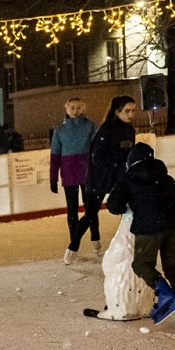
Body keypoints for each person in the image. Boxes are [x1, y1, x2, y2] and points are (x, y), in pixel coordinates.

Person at [106, 143, 175, 325]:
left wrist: (130, 206)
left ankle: (165, 294)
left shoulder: (129, 177)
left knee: (141, 264)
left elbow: (113, 205)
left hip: (150, 226)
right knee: (172, 265)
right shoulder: (166, 178)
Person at [78, 96, 138, 258]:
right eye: (127, 111)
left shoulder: (130, 131)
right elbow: (97, 158)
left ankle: (128, 244)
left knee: (127, 210)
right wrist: (119, 159)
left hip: (118, 178)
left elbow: (128, 155)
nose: (131, 114)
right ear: (117, 112)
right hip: (100, 178)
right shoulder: (106, 130)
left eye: (133, 110)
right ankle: (73, 245)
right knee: (90, 214)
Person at [49, 97, 98, 265]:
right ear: (67, 109)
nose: (75, 111)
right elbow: (55, 156)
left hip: (87, 172)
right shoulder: (60, 130)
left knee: (90, 207)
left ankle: (95, 239)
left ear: (83, 108)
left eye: (78, 107)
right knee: (72, 210)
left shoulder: (90, 126)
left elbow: (97, 148)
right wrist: (53, 178)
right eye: (72, 108)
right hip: (69, 173)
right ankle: (73, 243)